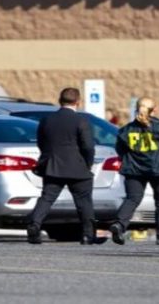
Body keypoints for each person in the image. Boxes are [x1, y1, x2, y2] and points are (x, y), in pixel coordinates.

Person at [27, 87, 103, 245]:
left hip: (53, 166)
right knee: (84, 202)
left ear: (59, 101)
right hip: (78, 167)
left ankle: (34, 226)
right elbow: (88, 147)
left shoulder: (47, 120)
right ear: (78, 102)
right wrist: (87, 164)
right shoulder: (81, 121)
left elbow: (42, 143)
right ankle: (88, 235)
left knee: (46, 198)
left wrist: (47, 159)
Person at [109, 97, 159, 246]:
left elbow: (120, 150)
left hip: (133, 170)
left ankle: (119, 224)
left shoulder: (125, 130)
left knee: (132, 199)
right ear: (155, 110)